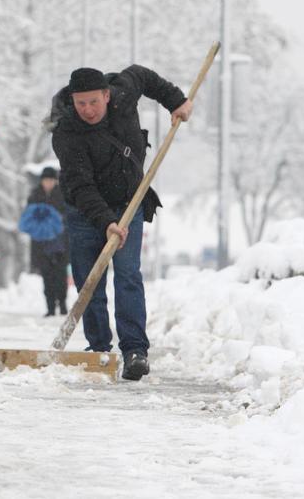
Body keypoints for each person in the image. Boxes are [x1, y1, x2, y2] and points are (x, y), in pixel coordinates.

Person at [50, 66, 193, 381]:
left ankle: (135, 351)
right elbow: (80, 186)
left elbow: (144, 75)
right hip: (85, 213)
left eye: (93, 102)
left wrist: (176, 101)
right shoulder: (67, 133)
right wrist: (106, 222)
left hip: (130, 201)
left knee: (128, 275)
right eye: (80, 103)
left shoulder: (124, 93)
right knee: (91, 282)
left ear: (106, 94)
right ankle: (100, 349)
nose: (87, 110)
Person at [21, 166, 69, 317]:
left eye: (50, 180)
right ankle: (50, 306)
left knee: (60, 275)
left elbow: (67, 215)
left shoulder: (62, 195)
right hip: (41, 244)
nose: (48, 183)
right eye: (45, 180)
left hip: (60, 243)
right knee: (47, 275)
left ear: (55, 181)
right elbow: (28, 217)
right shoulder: (35, 195)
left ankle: (62, 303)